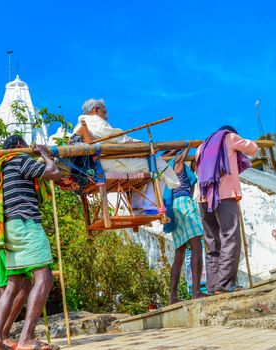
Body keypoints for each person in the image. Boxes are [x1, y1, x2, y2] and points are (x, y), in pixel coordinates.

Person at [0, 135, 61, 350]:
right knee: (44, 277)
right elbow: (53, 173)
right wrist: (45, 155)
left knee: (13, 284)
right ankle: (26, 338)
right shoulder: (20, 159)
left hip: (8, 228)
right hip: (25, 223)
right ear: (20, 146)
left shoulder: (2, 167)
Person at [73, 98, 180, 211]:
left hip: (100, 164)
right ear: (96, 110)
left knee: (143, 169)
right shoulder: (93, 121)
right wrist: (139, 144)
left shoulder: (79, 126)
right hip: (109, 164)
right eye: (104, 112)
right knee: (159, 164)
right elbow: (116, 137)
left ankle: (137, 207)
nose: (106, 116)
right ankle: (157, 202)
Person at [195, 125, 258, 294]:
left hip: (204, 199)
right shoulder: (230, 138)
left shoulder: (201, 147)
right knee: (230, 237)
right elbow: (252, 149)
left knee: (212, 242)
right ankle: (225, 284)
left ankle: (213, 286)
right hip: (225, 196)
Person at [163, 148, 206, 304]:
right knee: (196, 245)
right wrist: (186, 145)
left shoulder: (164, 169)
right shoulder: (175, 162)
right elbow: (180, 159)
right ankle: (196, 292)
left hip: (173, 209)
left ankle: (172, 297)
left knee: (179, 253)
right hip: (184, 205)